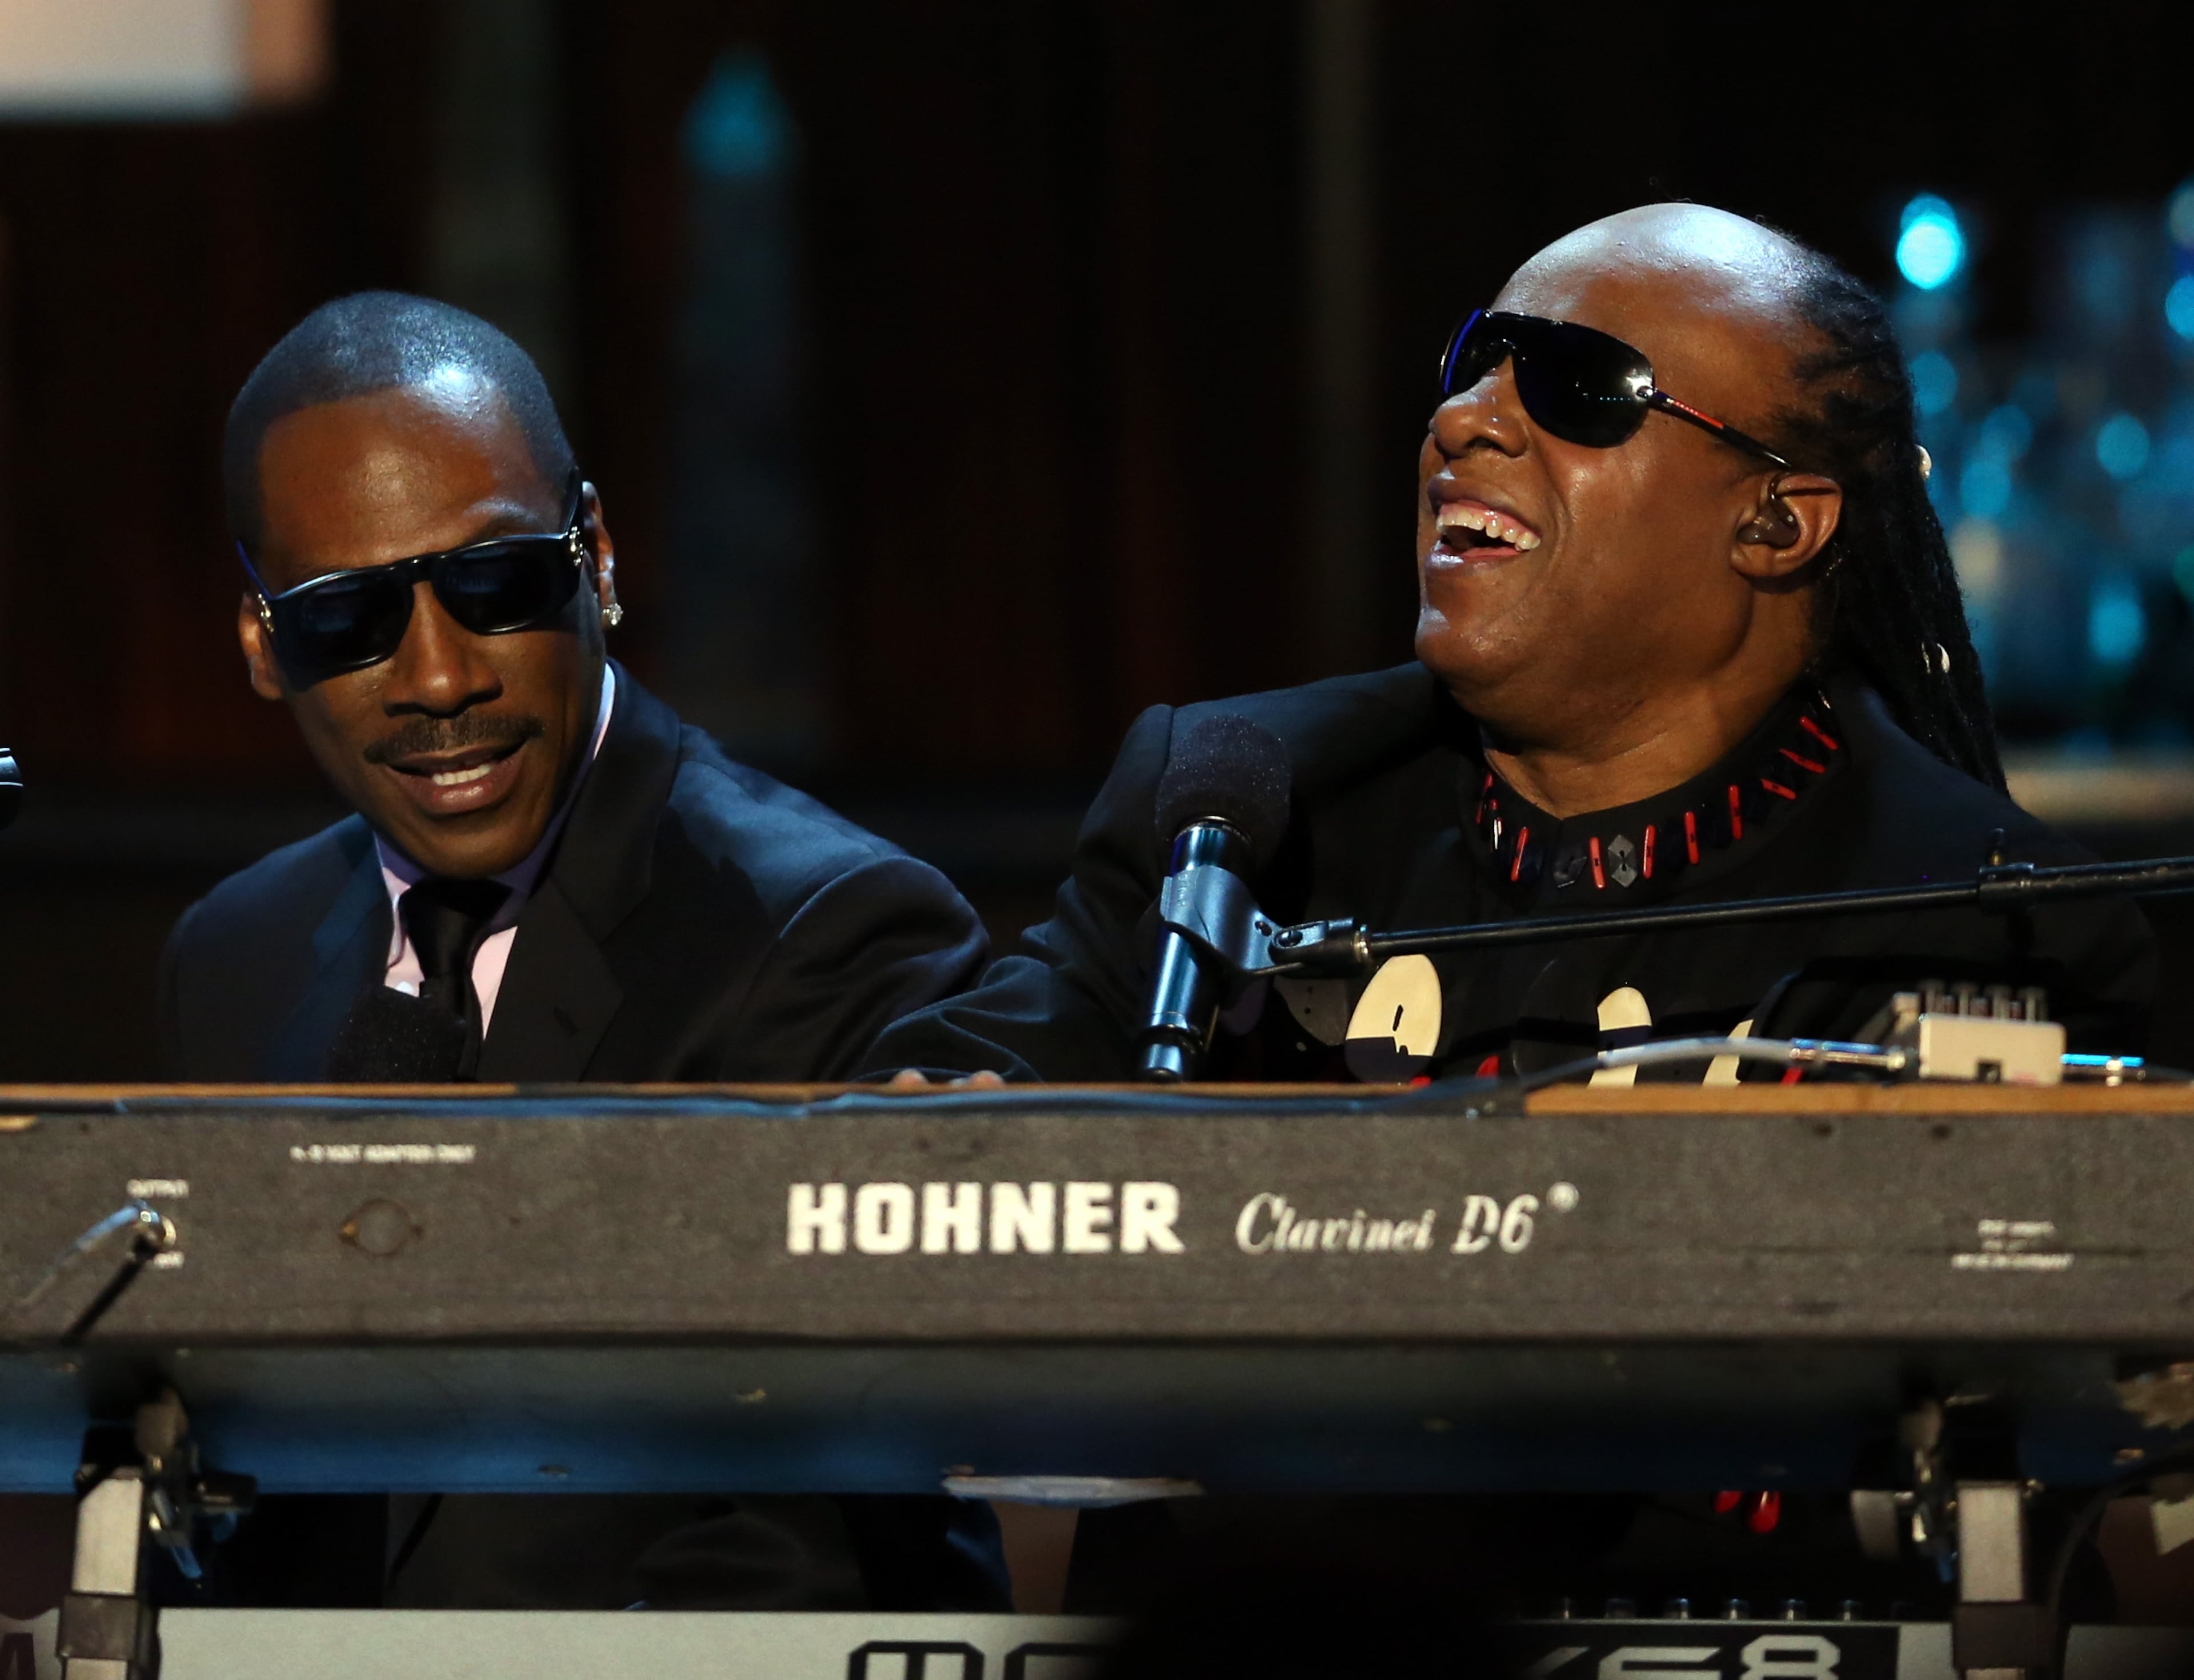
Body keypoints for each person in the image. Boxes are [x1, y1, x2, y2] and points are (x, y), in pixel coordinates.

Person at [868, 205, 2156, 1087]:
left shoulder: (1992, 927)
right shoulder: (1239, 816)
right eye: (1475, 363)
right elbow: (932, 1127)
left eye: (1579, 385)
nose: (1464, 419)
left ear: (1775, 519)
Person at [158, 292, 1002, 1611]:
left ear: (597, 554)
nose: (439, 679)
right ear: (265, 645)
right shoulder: (235, 956)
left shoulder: (831, 933)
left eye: (496, 586)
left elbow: (807, 1542)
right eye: (349, 620)